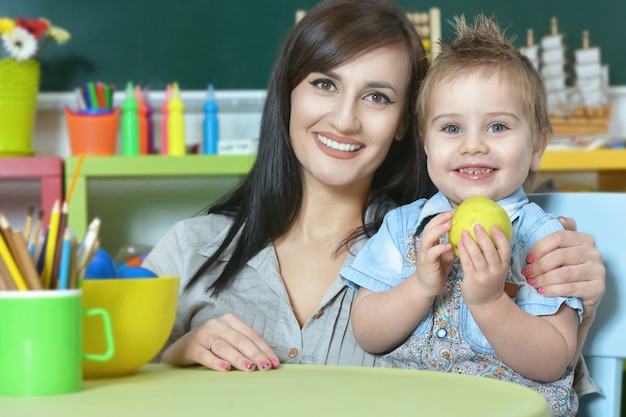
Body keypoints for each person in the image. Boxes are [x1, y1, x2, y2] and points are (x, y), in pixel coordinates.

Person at [142, 0, 604, 395]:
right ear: (288, 96)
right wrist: (173, 352)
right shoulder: (190, 248)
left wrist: (585, 304)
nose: (344, 120)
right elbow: (93, 364)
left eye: (378, 97)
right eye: (325, 84)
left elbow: (546, 371)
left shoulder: (420, 243)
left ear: (406, 124)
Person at [341, 15, 584, 416]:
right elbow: (368, 334)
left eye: (497, 127)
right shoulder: (403, 227)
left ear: (538, 144)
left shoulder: (545, 240)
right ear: (425, 143)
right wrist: (419, 286)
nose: (473, 145)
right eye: (451, 128)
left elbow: (554, 360)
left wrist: (490, 302)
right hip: (410, 405)